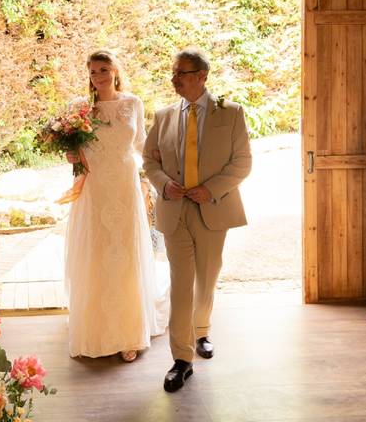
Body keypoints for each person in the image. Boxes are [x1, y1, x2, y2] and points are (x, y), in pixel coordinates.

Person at [143, 48, 252, 393]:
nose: (174, 79)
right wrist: (164, 184)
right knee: (180, 283)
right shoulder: (162, 116)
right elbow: (149, 160)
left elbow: (242, 163)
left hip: (212, 208)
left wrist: (211, 189)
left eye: (181, 73)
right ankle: (181, 359)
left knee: (206, 279)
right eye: (173, 73)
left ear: (202, 76)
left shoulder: (231, 114)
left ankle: (201, 330)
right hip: (174, 210)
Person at [63, 50, 166, 361]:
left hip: (123, 187)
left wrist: (160, 171)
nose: (99, 76)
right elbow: (74, 149)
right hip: (95, 189)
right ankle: (94, 328)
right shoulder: (80, 109)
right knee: (96, 253)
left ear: (115, 71)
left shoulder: (132, 103)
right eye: (93, 71)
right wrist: (70, 154)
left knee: (124, 254)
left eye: (104, 69)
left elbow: (142, 144)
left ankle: (128, 332)